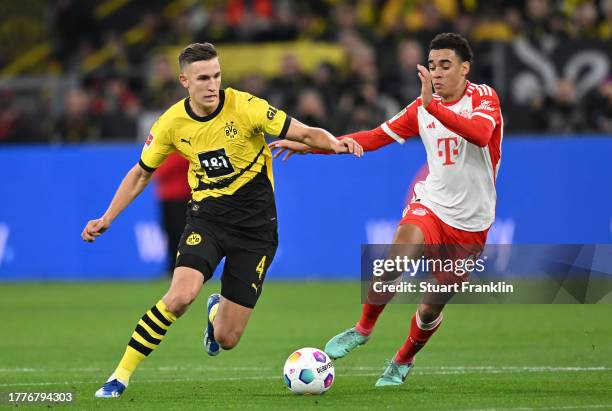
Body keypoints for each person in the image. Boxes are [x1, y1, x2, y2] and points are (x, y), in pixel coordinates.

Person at [81, 42, 363, 398]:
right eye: (203, 78)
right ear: (184, 80)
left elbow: (304, 132)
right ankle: (119, 376)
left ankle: (217, 315)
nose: (212, 85)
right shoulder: (170, 124)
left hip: (257, 230)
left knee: (227, 339)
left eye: (216, 75)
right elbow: (141, 172)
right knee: (181, 297)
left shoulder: (247, 107)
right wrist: (108, 217)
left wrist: (336, 142)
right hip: (207, 221)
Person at [270, 33, 503, 387]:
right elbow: (372, 137)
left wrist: (434, 107)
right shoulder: (419, 108)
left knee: (429, 308)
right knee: (393, 263)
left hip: (472, 222)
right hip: (433, 204)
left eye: (446, 65)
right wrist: (313, 147)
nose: (437, 73)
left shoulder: (483, 97)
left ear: (465, 68)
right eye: (432, 65)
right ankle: (363, 328)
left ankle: (403, 359)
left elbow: (482, 134)